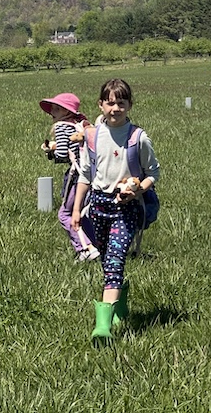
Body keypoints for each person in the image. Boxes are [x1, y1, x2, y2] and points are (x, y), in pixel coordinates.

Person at [73, 78, 160, 344]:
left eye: (121, 103)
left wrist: (138, 190)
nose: (115, 108)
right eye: (110, 103)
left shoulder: (138, 138)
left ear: (129, 105)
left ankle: (103, 327)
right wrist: (77, 209)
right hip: (98, 206)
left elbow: (153, 173)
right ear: (100, 105)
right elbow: (85, 175)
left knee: (115, 260)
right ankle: (120, 303)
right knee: (106, 259)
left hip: (126, 207)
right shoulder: (92, 136)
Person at [39, 92, 99, 262]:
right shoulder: (81, 123)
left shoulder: (62, 126)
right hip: (93, 172)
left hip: (77, 174)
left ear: (66, 111)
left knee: (66, 214)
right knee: (82, 212)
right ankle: (96, 244)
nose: (52, 112)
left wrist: (51, 152)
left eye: (57, 109)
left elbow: (63, 154)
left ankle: (85, 249)